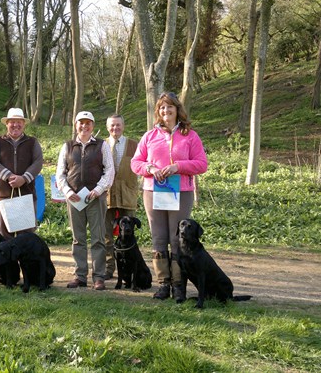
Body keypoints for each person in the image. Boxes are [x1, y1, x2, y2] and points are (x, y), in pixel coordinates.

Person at [130, 92, 208, 302]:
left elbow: (202, 164)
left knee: (177, 239)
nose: (166, 111)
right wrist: (150, 167)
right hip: (153, 192)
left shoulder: (190, 135)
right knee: (159, 237)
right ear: (158, 111)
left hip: (180, 192)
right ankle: (163, 284)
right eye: (162, 108)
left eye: (170, 107)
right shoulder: (149, 136)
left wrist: (178, 167)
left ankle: (179, 286)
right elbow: (135, 163)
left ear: (177, 109)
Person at [56, 111, 115, 291]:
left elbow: (110, 171)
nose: (84, 126)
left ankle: (99, 277)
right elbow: (60, 173)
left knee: (98, 238)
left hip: (95, 198)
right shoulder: (67, 146)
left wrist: (98, 190)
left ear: (93, 126)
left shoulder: (102, 145)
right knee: (77, 239)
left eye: (88, 123)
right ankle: (80, 275)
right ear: (76, 125)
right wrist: (67, 191)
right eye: (81, 123)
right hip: (74, 199)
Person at [0, 108, 43, 239]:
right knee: (5, 234)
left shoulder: (32, 142)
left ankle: (26, 260)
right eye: (12, 122)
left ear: (24, 124)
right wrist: (9, 176)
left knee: (27, 236)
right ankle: (7, 261)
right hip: (3, 195)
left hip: (26, 194)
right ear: (6, 124)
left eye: (19, 122)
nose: (15, 125)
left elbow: (38, 162)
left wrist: (23, 179)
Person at [103, 114, 140, 280]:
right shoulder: (102, 145)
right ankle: (108, 268)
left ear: (123, 126)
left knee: (129, 232)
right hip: (107, 195)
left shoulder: (134, 145)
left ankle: (131, 269)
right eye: (112, 125)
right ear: (107, 127)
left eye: (118, 125)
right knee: (106, 234)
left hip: (128, 193)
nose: (115, 129)